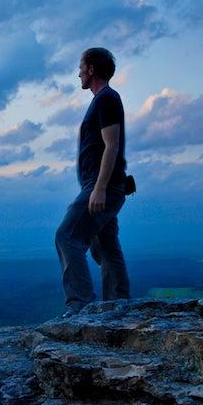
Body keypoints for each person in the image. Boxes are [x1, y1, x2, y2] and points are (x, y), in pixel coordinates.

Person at [55, 47, 132, 317]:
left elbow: (112, 145)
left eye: (81, 67)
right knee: (105, 245)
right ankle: (118, 303)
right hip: (103, 185)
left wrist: (98, 188)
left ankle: (80, 305)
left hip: (103, 186)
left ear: (91, 69)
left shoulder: (106, 99)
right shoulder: (103, 100)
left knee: (67, 236)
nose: (78, 74)